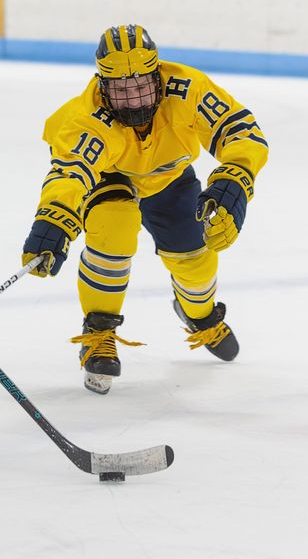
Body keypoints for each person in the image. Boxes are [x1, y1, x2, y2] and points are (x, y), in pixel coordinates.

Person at [21, 24, 268, 395]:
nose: (134, 100)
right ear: (103, 85)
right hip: (110, 175)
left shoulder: (187, 88)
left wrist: (235, 176)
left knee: (195, 258)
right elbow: (70, 175)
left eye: (140, 87)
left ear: (157, 76)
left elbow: (241, 131)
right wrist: (54, 217)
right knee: (114, 229)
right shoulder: (86, 119)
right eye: (121, 90)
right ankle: (99, 331)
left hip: (168, 176)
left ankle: (199, 315)